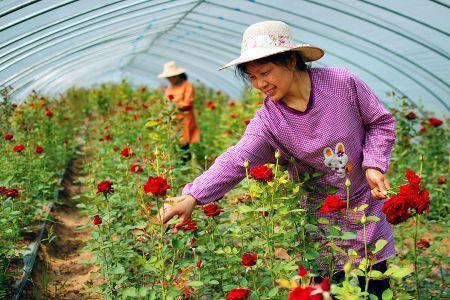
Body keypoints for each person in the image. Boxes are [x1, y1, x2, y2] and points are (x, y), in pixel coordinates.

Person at [161, 21, 396, 297]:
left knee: (376, 287)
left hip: (365, 203)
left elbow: (380, 122)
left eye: (265, 72)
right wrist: (193, 196)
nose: (260, 84)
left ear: (292, 61)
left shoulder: (341, 84)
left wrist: (373, 164)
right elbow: (238, 158)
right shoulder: (270, 120)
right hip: (321, 215)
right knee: (326, 290)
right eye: (252, 77)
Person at [158, 61, 199, 162]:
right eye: (168, 77)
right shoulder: (169, 89)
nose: (169, 79)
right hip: (173, 120)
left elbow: (188, 103)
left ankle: (187, 166)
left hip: (185, 120)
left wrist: (175, 104)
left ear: (178, 75)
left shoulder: (187, 85)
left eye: (171, 76)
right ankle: (180, 167)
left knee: (184, 146)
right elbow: (165, 103)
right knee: (175, 145)